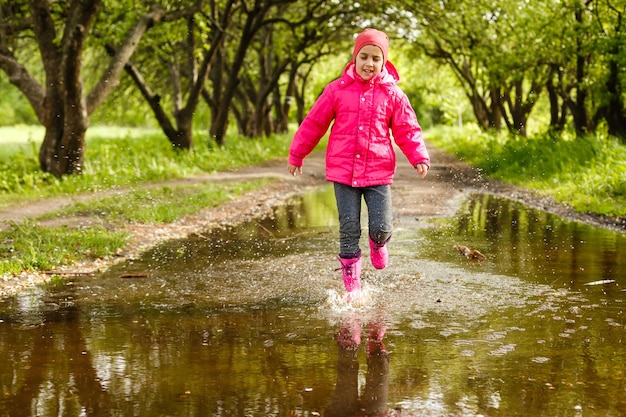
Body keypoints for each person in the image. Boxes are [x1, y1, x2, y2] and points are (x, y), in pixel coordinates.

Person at [287, 28, 430, 302]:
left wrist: (419, 156)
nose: (369, 63)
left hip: (378, 172)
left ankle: (378, 244)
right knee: (349, 228)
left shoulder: (393, 94)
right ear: (354, 58)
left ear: (383, 62)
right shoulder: (336, 90)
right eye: (363, 56)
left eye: (376, 59)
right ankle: (352, 284)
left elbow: (407, 129)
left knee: (380, 226)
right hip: (343, 173)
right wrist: (297, 154)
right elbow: (313, 124)